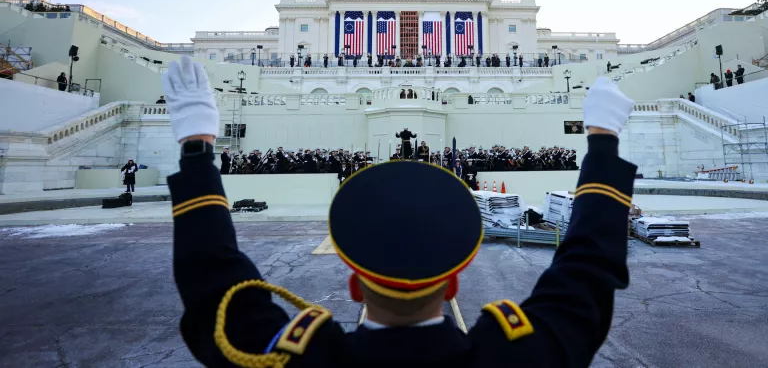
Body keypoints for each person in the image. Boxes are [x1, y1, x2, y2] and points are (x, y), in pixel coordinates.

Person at [160, 56, 636, 367]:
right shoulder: (520, 356)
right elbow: (588, 270)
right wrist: (603, 144)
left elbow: (214, 286)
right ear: (453, 282)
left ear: (353, 285)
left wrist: (198, 145)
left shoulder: (291, 358)